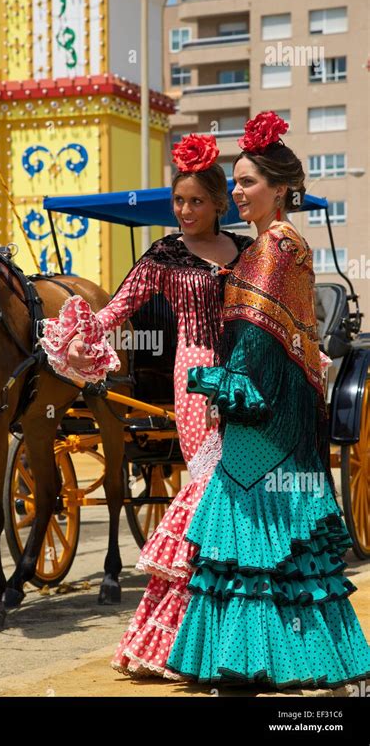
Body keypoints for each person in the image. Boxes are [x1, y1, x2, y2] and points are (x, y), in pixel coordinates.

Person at [164, 112, 370, 689]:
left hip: (265, 418)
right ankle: (271, 658)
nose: (236, 190)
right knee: (269, 547)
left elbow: (256, 341)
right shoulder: (268, 247)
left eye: (248, 181)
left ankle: (257, 662)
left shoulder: (276, 247)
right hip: (266, 416)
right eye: (234, 181)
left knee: (258, 543)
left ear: (281, 190)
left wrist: (221, 383)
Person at [38, 133, 253, 678]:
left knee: (241, 495)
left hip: (251, 379)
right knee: (209, 492)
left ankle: (237, 633)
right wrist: (81, 335)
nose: (184, 211)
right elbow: (116, 309)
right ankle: (183, 635)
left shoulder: (247, 252)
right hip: (196, 377)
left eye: (196, 201)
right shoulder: (164, 254)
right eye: (178, 201)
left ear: (219, 203)